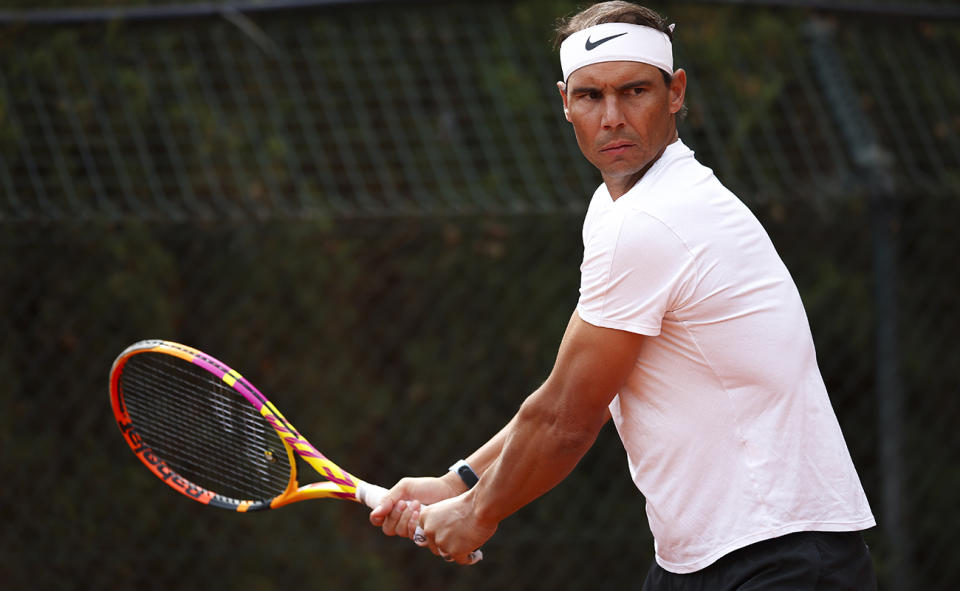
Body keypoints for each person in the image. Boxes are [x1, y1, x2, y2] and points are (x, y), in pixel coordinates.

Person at [369, 2, 877, 588]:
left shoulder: (652, 221)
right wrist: (460, 481)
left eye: (634, 91)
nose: (612, 117)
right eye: (590, 96)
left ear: (675, 92)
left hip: (779, 554)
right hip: (708, 558)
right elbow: (570, 391)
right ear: (565, 102)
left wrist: (477, 514)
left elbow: (567, 419)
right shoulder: (623, 209)